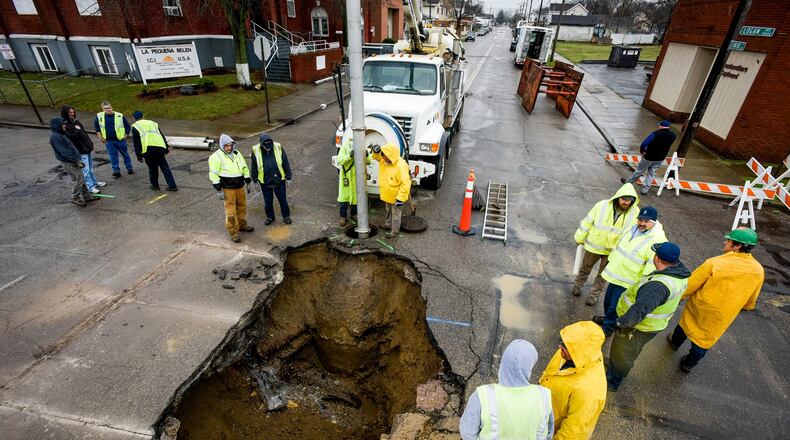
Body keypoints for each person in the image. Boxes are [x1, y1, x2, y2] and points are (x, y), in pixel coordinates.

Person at [668, 228, 764, 372]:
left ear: (737, 246)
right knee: (704, 341)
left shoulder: (715, 263)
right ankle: (688, 364)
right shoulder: (758, 270)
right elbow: (752, 295)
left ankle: (674, 343)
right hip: (722, 315)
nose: (725, 242)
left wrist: (679, 297)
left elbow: (692, 284)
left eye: (728, 240)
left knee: (686, 325)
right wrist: (747, 306)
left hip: (700, 307)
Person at [606, 242, 690, 391]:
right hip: (652, 326)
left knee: (624, 353)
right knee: (626, 351)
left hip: (638, 327)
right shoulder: (678, 274)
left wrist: (621, 323)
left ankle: (612, 381)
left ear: (656, 258)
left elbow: (639, 310)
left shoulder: (657, 286)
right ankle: (614, 366)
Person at [595, 205, 667, 336]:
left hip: (628, 280)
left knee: (615, 306)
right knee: (608, 301)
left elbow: (652, 266)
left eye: (646, 221)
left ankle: (608, 328)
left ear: (653, 222)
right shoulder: (632, 228)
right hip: (616, 273)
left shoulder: (657, 240)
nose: (642, 223)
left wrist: (643, 284)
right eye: (640, 220)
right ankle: (608, 319)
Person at [460, 339, 554, 440]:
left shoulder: (482, 395)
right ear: (530, 366)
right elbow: (548, 433)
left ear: (504, 363)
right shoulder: (543, 396)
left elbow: (467, 432)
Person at [573, 183, 640, 306]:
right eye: (624, 199)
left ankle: (594, 295)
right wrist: (579, 237)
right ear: (618, 197)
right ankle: (578, 285)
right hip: (594, 245)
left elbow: (634, 233)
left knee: (603, 275)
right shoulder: (601, 206)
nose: (626, 202)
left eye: (630, 200)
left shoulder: (635, 212)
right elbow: (587, 222)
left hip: (613, 251)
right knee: (585, 268)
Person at [539, 321, 607, 440]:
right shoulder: (574, 351)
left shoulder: (590, 391)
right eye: (562, 342)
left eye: (565, 346)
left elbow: (572, 433)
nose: (560, 347)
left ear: (579, 352)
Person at [209, 134, 254, 243]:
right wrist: (218, 189)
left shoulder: (237, 154)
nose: (229, 148)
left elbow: (244, 167)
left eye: (231, 145)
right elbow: (214, 174)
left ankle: (242, 225)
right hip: (228, 188)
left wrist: (248, 181)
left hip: (240, 186)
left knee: (242, 206)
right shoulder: (216, 157)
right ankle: (234, 233)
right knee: (231, 211)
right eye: (227, 146)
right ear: (222, 146)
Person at [620, 120, 676, 195]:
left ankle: (628, 183)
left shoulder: (655, 133)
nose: (658, 126)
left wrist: (642, 151)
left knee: (639, 171)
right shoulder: (673, 135)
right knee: (651, 173)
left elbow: (645, 143)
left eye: (659, 125)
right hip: (660, 158)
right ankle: (644, 190)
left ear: (661, 126)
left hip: (649, 157)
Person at [49, 118, 96, 206]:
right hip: (70, 162)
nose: (64, 125)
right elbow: (64, 152)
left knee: (80, 178)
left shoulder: (61, 134)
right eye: (62, 124)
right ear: (57, 126)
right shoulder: (56, 137)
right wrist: (75, 160)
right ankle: (75, 197)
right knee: (78, 179)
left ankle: (86, 196)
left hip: (73, 160)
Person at [61, 106, 105, 194]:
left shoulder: (76, 122)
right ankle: (90, 187)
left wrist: (90, 144)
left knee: (90, 169)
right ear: (65, 113)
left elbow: (84, 134)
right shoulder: (65, 125)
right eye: (70, 112)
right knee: (86, 170)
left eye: (73, 112)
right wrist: (77, 130)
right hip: (80, 151)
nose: (72, 114)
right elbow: (71, 138)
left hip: (86, 148)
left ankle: (94, 182)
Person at [250, 133, 292, 225]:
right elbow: (253, 166)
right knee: (268, 201)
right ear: (262, 145)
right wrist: (254, 180)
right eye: (266, 146)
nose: (268, 147)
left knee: (283, 200)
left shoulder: (278, 146)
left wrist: (288, 176)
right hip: (265, 182)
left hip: (279, 180)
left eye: (270, 145)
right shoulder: (255, 150)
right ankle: (270, 217)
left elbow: (285, 162)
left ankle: (286, 216)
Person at [372, 144, 411, 239]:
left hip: (396, 196)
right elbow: (377, 157)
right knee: (388, 210)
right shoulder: (385, 160)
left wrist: (400, 199)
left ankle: (395, 231)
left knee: (396, 214)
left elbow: (405, 183)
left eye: (385, 158)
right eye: (383, 157)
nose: (383, 159)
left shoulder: (401, 166)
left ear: (390, 156)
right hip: (387, 194)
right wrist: (376, 152)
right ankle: (388, 224)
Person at [131, 111, 177, 191]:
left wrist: (139, 155)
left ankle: (155, 185)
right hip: (159, 148)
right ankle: (172, 186)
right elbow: (161, 136)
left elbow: (137, 142)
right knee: (165, 168)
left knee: (153, 169)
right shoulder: (153, 123)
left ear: (135, 118)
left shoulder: (136, 126)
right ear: (143, 116)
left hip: (148, 150)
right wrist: (166, 147)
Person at [336, 135, 370, 226]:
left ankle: (353, 214)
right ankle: (342, 216)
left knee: (355, 197)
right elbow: (339, 160)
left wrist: (366, 155)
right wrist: (350, 155)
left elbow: (368, 161)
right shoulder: (345, 147)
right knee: (344, 197)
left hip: (357, 178)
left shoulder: (363, 147)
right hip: (346, 177)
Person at [94, 101, 133, 178]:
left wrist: (126, 135)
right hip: (109, 141)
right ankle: (116, 171)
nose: (108, 110)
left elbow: (127, 127)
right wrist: (101, 137)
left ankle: (129, 168)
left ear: (112, 107)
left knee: (125, 154)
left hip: (120, 140)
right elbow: (97, 128)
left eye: (109, 108)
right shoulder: (99, 116)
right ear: (103, 109)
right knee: (113, 156)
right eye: (106, 108)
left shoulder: (119, 116)